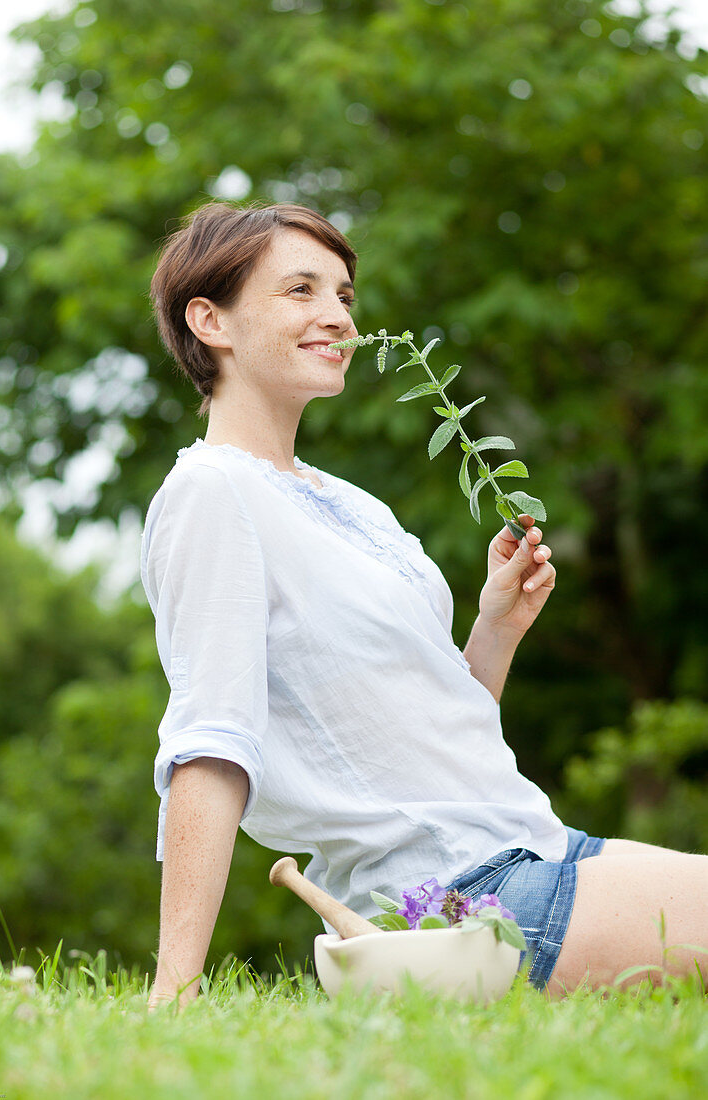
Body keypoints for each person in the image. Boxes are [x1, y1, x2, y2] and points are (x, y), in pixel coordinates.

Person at [142, 200, 708, 1008]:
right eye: (300, 290)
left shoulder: (350, 504)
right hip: (449, 895)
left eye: (343, 296)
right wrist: (176, 986)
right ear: (211, 321)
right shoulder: (211, 492)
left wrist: (495, 630)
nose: (335, 315)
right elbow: (209, 739)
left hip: (535, 847)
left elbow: (425, 741)